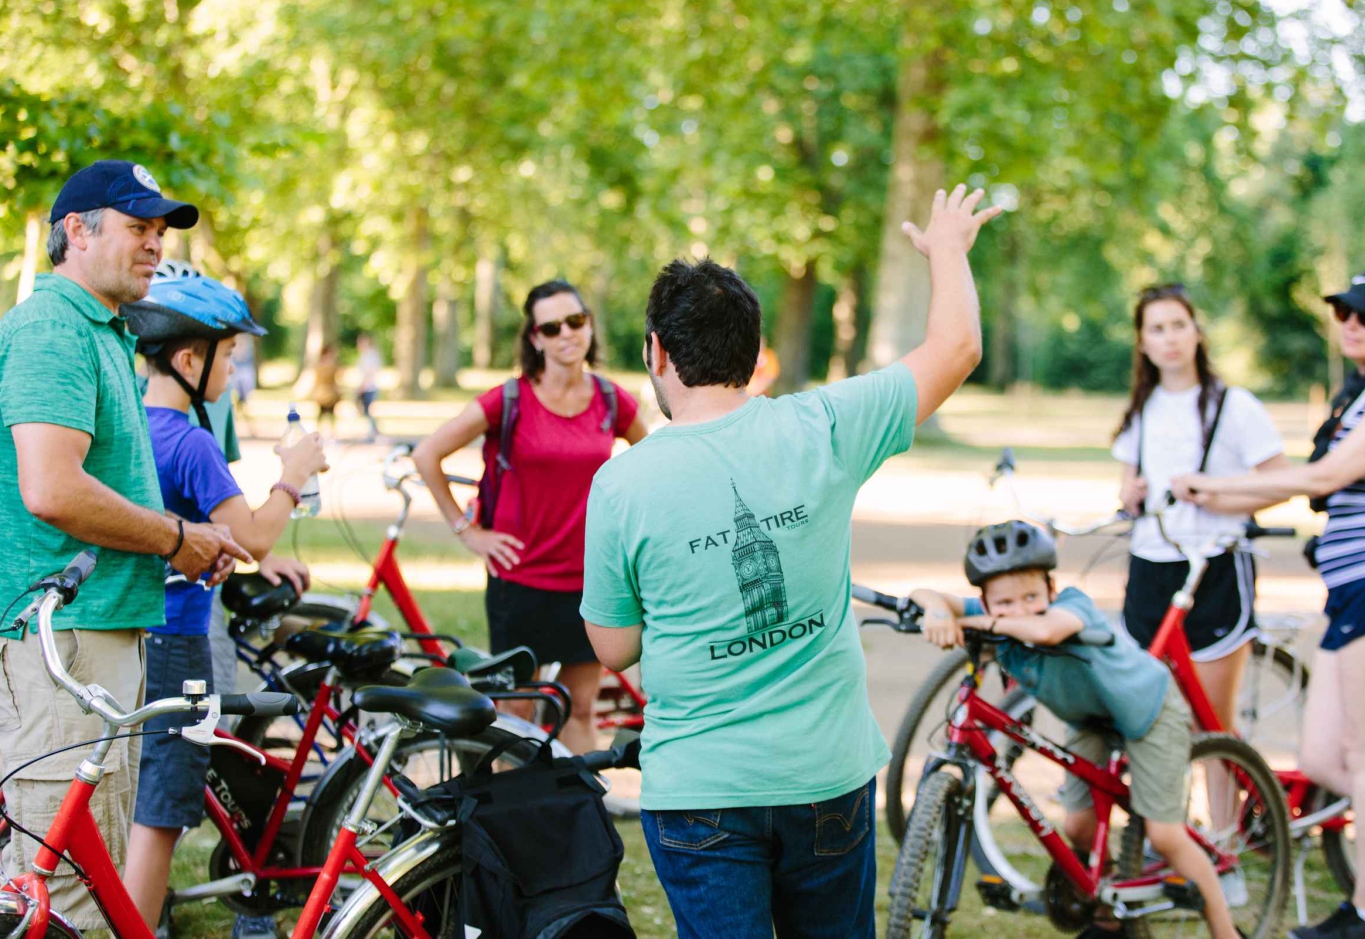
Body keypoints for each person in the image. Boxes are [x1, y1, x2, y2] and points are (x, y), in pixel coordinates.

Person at [578, 185, 996, 937]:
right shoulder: (824, 425)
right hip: (825, 778)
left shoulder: (622, 481)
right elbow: (958, 348)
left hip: (699, 787)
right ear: (750, 349)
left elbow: (612, 646)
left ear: (658, 353)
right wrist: (949, 254)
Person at [1173, 268, 1365, 939]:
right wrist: (1212, 498)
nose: (1349, 323)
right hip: (1349, 589)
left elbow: (1328, 475)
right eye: (1342, 311)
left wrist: (1217, 484)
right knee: (1322, 758)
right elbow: (1311, 482)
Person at [0, 160, 248, 928]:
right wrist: (177, 537)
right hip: (56, 646)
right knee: (59, 896)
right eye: (138, 228)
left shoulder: (98, 328)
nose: (154, 246)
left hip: (93, 637)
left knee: (78, 879)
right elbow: (52, 488)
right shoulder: (50, 330)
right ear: (77, 230)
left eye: (159, 231)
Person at [912, 520, 1242, 939]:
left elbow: (1047, 630)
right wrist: (940, 611)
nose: (1020, 609)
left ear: (1052, 590)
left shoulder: (1071, 605)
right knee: (1079, 829)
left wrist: (982, 624)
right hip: (1089, 719)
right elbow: (924, 595)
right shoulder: (993, 613)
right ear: (984, 600)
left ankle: (1225, 929)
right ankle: (1108, 915)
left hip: (1147, 710)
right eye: (1005, 602)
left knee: (1165, 836)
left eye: (1032, 596)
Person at [117, 272, 327, 927]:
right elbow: (256, 538)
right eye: (229, 356)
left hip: (127, 636)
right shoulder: (191, 442)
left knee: (132, 794)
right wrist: (293, 475)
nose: (234, 372)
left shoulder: (125, 430)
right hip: (179, 643)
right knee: (162, 810)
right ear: (188, 359)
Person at [413, 280, 645, 756]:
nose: (567, 334)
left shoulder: (611, 400)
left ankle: (577, 818)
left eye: (576, 321)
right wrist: (469, 531)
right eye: (552, 326)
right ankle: (517, 822)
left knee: (580, 709)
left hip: (589, 582)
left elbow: (655, 463)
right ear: (535, 337)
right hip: (519, 583)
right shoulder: (509, 400)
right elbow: (427, 455)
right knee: (516, 711)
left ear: (589, 325)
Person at [1110, 284, 1287, 734]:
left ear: (1196, 332)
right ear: (1142, 342)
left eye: (1178, 326)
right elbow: (1127, 489)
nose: (1169, 338)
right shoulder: (1140, 411)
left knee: (1210, 721)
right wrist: (1130, 496)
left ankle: (1227, 807)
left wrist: (1217, 495)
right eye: (1157, 329)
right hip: (1151, 566)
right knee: (1150, 720)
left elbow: (1281, 482)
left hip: (1214, 565)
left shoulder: (1234, 405)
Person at [309, 343, 341, 438]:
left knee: (331, 413)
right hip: (322, 393)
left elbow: (336, 379)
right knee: (321, 413)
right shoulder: (319, 366)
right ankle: (319, 431)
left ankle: (332, 432)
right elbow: (316, 380)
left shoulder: (333, 366)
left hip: (331, 393)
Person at [356, 332, 383, 442]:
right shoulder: (364, 356)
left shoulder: (370, 356)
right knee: (365, 411)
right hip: (365, 386)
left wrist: (364, 386)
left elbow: (370, 373)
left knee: (368, 410)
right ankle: (374, 431)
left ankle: (374, 432)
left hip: (369, 387)